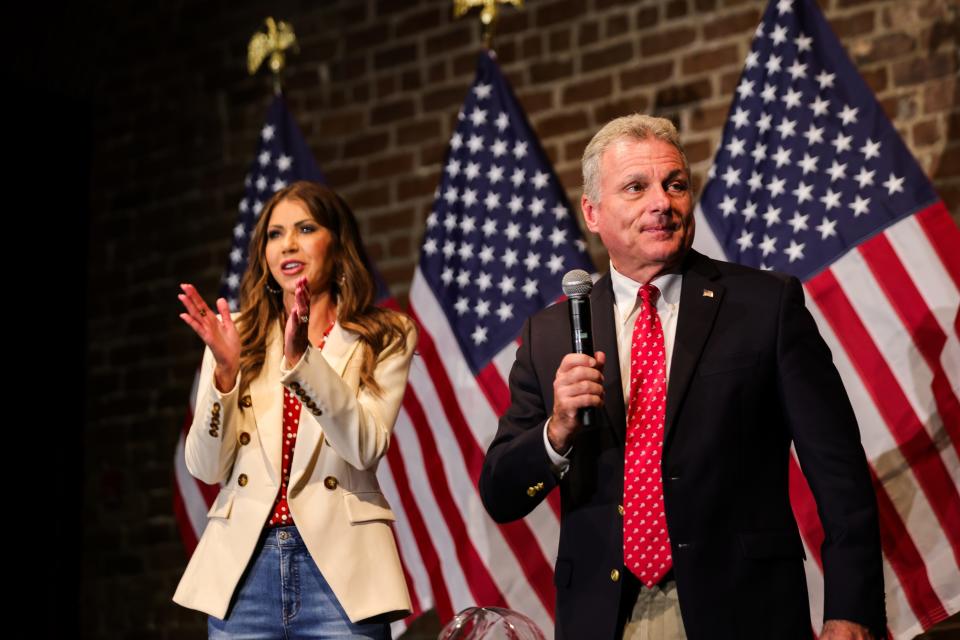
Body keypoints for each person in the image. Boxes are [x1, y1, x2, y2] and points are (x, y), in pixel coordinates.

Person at [478, 115, 885, 640]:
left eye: (674, 184)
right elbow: (502, 494)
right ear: (593, 212)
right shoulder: (550, 334)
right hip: (605, 618)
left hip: (743, 610)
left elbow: (839, 470)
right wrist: (555, 434)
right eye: (636, 187)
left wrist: (851, 610)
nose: (662, 203)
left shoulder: (765, 306)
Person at [173, 181, 416, 638]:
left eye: (305, 228)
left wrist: (304, 359)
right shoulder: (235, 335)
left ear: (337, 243)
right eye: (274, 233)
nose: (288, 244)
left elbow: (364, 448)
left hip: (342, 570)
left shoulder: (385, 334)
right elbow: (205, 468)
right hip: (244, 570)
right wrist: (224, 376)